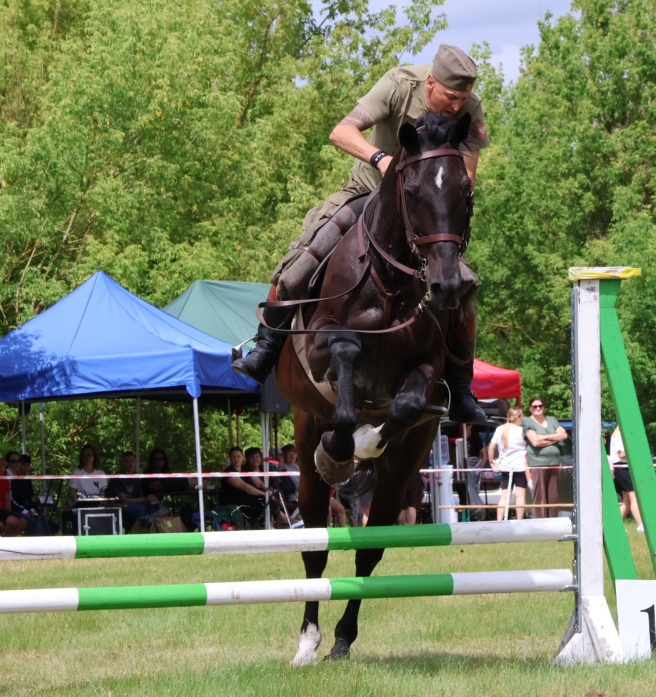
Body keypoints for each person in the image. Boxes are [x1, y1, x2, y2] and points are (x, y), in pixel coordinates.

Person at [231, 44, 491, 423]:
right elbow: (341, 132)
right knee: (308, 249)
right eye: (451, 97)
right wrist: (381, 159)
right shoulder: (399, 84)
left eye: (463, 99)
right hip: (367, 192)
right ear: (431, 83)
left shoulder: (470, 106)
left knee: (463, 284)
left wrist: (442, 211)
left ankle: (462, 387)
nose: (457, 106)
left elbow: (467, 174)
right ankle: (266, 345)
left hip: (422, 211)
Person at [524, 397, 568, 519]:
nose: (538, 408)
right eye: (535, 406)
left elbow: (564, 435)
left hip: (554, 462)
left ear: (543, 407)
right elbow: (535, 442)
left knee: (553, 495)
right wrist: (554, 439)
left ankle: (553, 521)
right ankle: (540, 522)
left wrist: (543, 437)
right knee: (540, 495)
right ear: (530, 408)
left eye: (540, 406)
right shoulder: (527, 421)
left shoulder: (552, 420)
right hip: (537, 463)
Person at [489, 406, 528, 521]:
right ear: (518, 417)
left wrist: (492, 463)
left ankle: (499, 521)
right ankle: (519, 521)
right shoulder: (522, 430)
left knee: (504, 496)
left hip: (505, 467)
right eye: (522, 415)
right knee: (520, 496)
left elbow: (491, 447)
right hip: (520, 467)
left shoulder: (499, 429)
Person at [220, 446, 268, 529]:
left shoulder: (246, 469)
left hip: (247, 501)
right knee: (263, 500)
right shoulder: (229, 472)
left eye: (238, 456)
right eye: (233, 457)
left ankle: (278, 522)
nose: (236, 459)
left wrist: (268, 489)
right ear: (230, 459)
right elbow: (245, 487)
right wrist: (263, 494)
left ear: (242, 457)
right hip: (235, 504)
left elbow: (259, 483)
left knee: (270, 500)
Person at [109, 452, 156, 532]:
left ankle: (151, 529)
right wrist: (145, 499)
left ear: (136, 462)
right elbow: (124, 500)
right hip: (118, 504)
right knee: (140, 508)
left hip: (133, 504)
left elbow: (140, 496)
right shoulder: (117, 477)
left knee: (152, 506)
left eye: (132, 461)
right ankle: (138, 532)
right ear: (121, 463)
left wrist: (151, 499)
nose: (130, 464)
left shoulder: (137, 477)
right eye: (127, 461)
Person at [608, 426, 644, 532]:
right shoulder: (619, 436)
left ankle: (616, 526)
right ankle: (640, 525)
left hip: (623, 468)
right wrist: (636, 451)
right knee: (634, 498)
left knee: (626, 501)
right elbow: (622, 454)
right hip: (622, 469)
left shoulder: (618, 435)